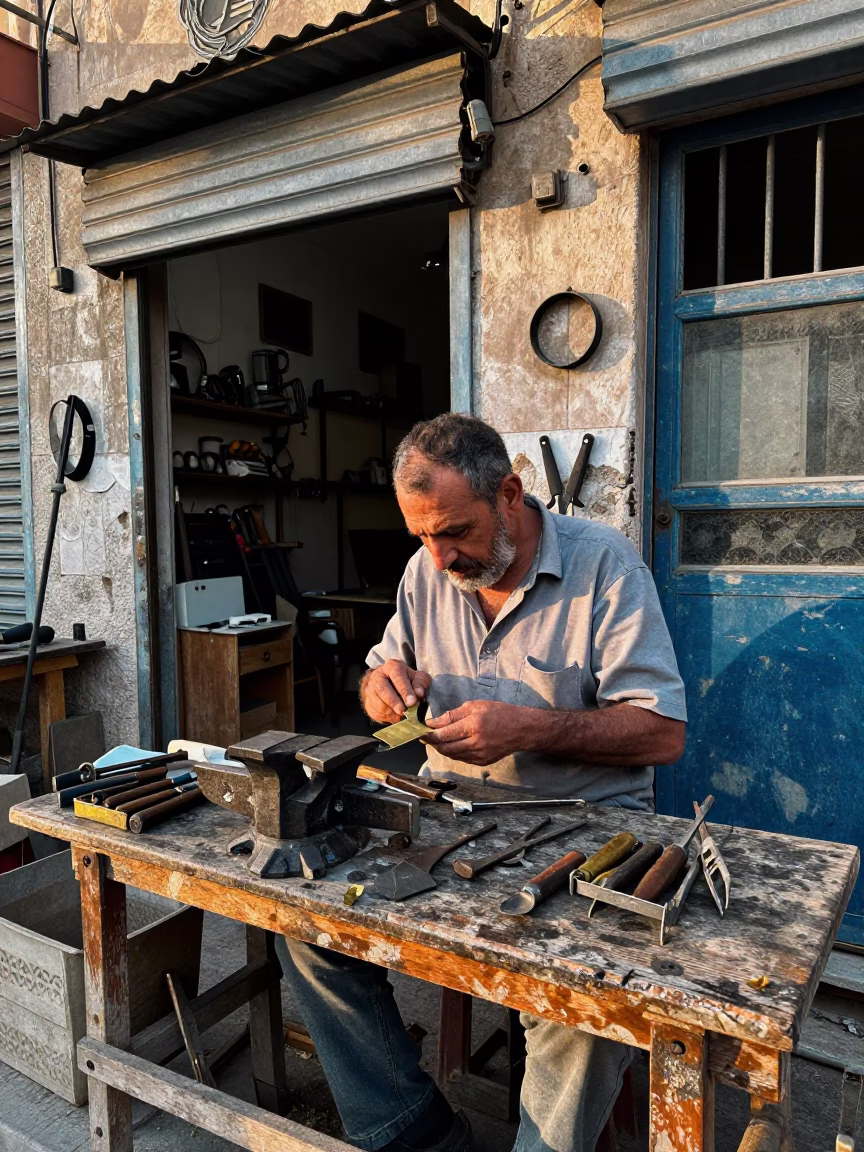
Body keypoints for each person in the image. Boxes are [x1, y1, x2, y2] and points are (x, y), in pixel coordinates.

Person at [276, 414, 687, 1152]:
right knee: (307, 930)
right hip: (444, 813)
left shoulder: (608, 568)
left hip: (584, 826)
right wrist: (381, 688)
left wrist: (529, 727)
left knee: (579, 1003)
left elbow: (663, 732)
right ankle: (413, 1131)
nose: (438, 559)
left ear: (509, 494)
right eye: (421, 538)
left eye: (455, 533)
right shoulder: (425, 569)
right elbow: (380, 673)